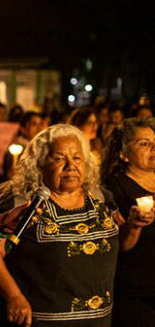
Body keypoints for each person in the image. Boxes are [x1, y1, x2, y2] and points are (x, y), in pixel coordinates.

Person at [0, 124, 119, 327]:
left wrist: (134, 227)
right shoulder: (24, 203)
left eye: (77, 157)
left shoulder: (100, 199)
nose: (70, 165)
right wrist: (13, 297)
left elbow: (122, 247)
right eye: (59, 158)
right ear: (40, 164)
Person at [101, 118, 155, 327]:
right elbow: (117, 246)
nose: (153, 148)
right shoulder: (112, 190)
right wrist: (133, 225)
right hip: (136, 292)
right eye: (144, 143)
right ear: (123, 153)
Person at [2, 112, 44, 178]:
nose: (39, 128)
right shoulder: (17, 149)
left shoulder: (42, 148)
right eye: (34, 124)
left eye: (40, 124)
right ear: (23, 128)